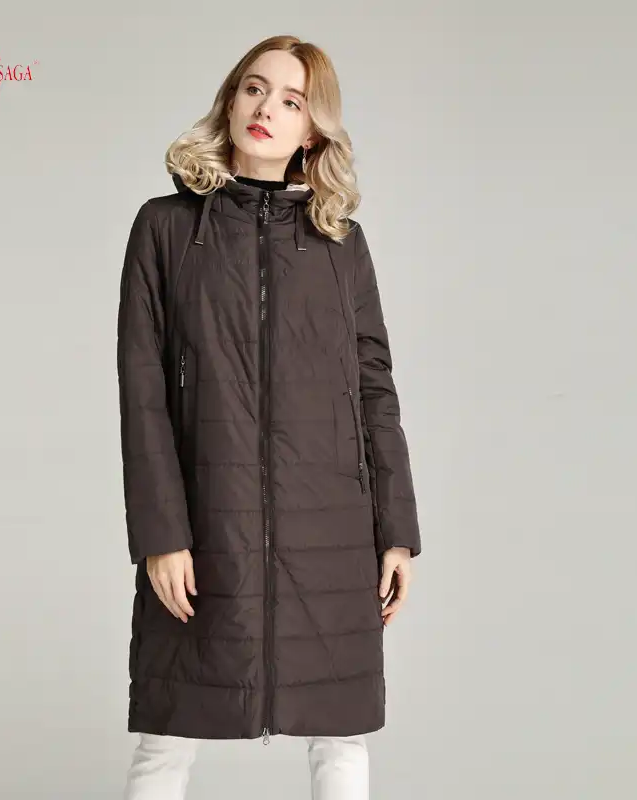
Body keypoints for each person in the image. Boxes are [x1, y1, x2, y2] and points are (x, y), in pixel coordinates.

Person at [116, 34, 422, 799]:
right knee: (166, 740)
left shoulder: (340, 244)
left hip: (331, 526)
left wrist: (396, 529)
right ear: (231, 99)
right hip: (207, 522)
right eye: (255, 88)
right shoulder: (165, 229)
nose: (267, 109)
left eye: (292, 101)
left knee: (340, 738)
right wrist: (161, 535)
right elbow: (142, 391)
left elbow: (374, 388)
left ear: (312, 130)